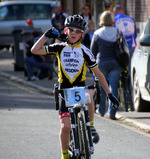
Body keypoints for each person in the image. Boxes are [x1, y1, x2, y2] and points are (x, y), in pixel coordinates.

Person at [31, 15, 119, 159]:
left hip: (79, 87)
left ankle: (90, 127)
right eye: (71, 29)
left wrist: (110, 94)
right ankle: (65, 154)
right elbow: (35, 50)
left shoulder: (85, 51)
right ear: (65, 31)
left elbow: (99, 74)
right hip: (64, 90)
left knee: (89, 95)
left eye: (77, 31)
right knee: (65, 127)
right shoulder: (59, 47)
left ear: (82, 34)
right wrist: (46, 35)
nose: (73, 33)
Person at [90, 11, 122, 120]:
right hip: (116, 63)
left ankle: (101, 110)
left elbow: (92, 51)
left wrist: (91, 67)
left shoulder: (97, 33)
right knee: (114, 87)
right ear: (112, 20)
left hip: (101, 63)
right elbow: (124, 48)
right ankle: (112, 112)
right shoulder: (118, 32)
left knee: (102, 87)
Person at [113, 6, 137, 73]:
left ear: (115, 12)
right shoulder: (131, 19)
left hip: (120, 47)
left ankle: (122, 80)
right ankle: (130, 82)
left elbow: (113, 34)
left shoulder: (114, 19)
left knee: (120, 67)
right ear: (123, 12)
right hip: (131, 46)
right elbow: (135, 35)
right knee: (131, 66)